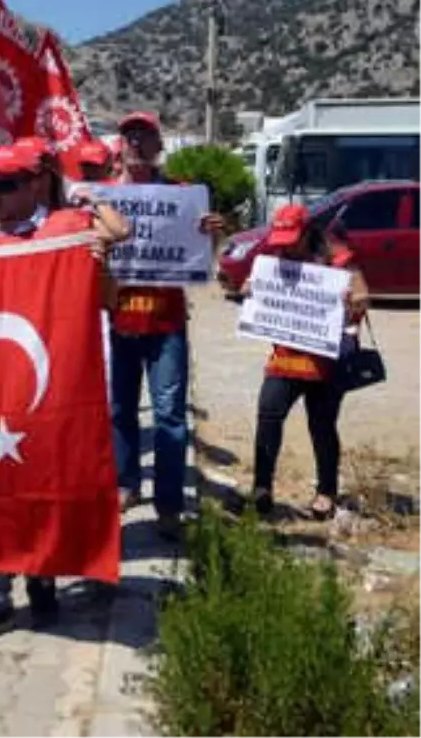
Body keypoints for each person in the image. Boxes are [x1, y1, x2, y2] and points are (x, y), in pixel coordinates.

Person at [0, 138, 123, 646]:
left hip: (49, 388)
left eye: (6, 185)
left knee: (44, 486)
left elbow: (110, 294)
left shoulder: (64, 231)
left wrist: (99, 255)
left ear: (36, 184)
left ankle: (42, 574)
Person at [108, 112, 223, 540]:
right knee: (119, 411)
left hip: (166, 323)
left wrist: (211, 235)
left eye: (144, 136)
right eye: (129, 136)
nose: (135, 142)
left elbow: (200, 261)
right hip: (117, 324)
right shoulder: (101, 198)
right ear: (119, 146)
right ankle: (126, 485)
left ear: (159, 145)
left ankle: (170, 505)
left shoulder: (182, 196)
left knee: (170, 416)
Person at [245, 204, 368, 519]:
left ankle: (326, 492)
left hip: (326, 363)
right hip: (286, 359)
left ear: (308, 233)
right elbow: (258, 297)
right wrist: (251, 291)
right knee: (268, 415)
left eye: (292, 239)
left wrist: (354, 300)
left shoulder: (337, 261)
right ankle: (262, 489)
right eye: (281, 239)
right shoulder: (273, 264)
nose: (286, 245)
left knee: (322, 425)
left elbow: (361, 299)